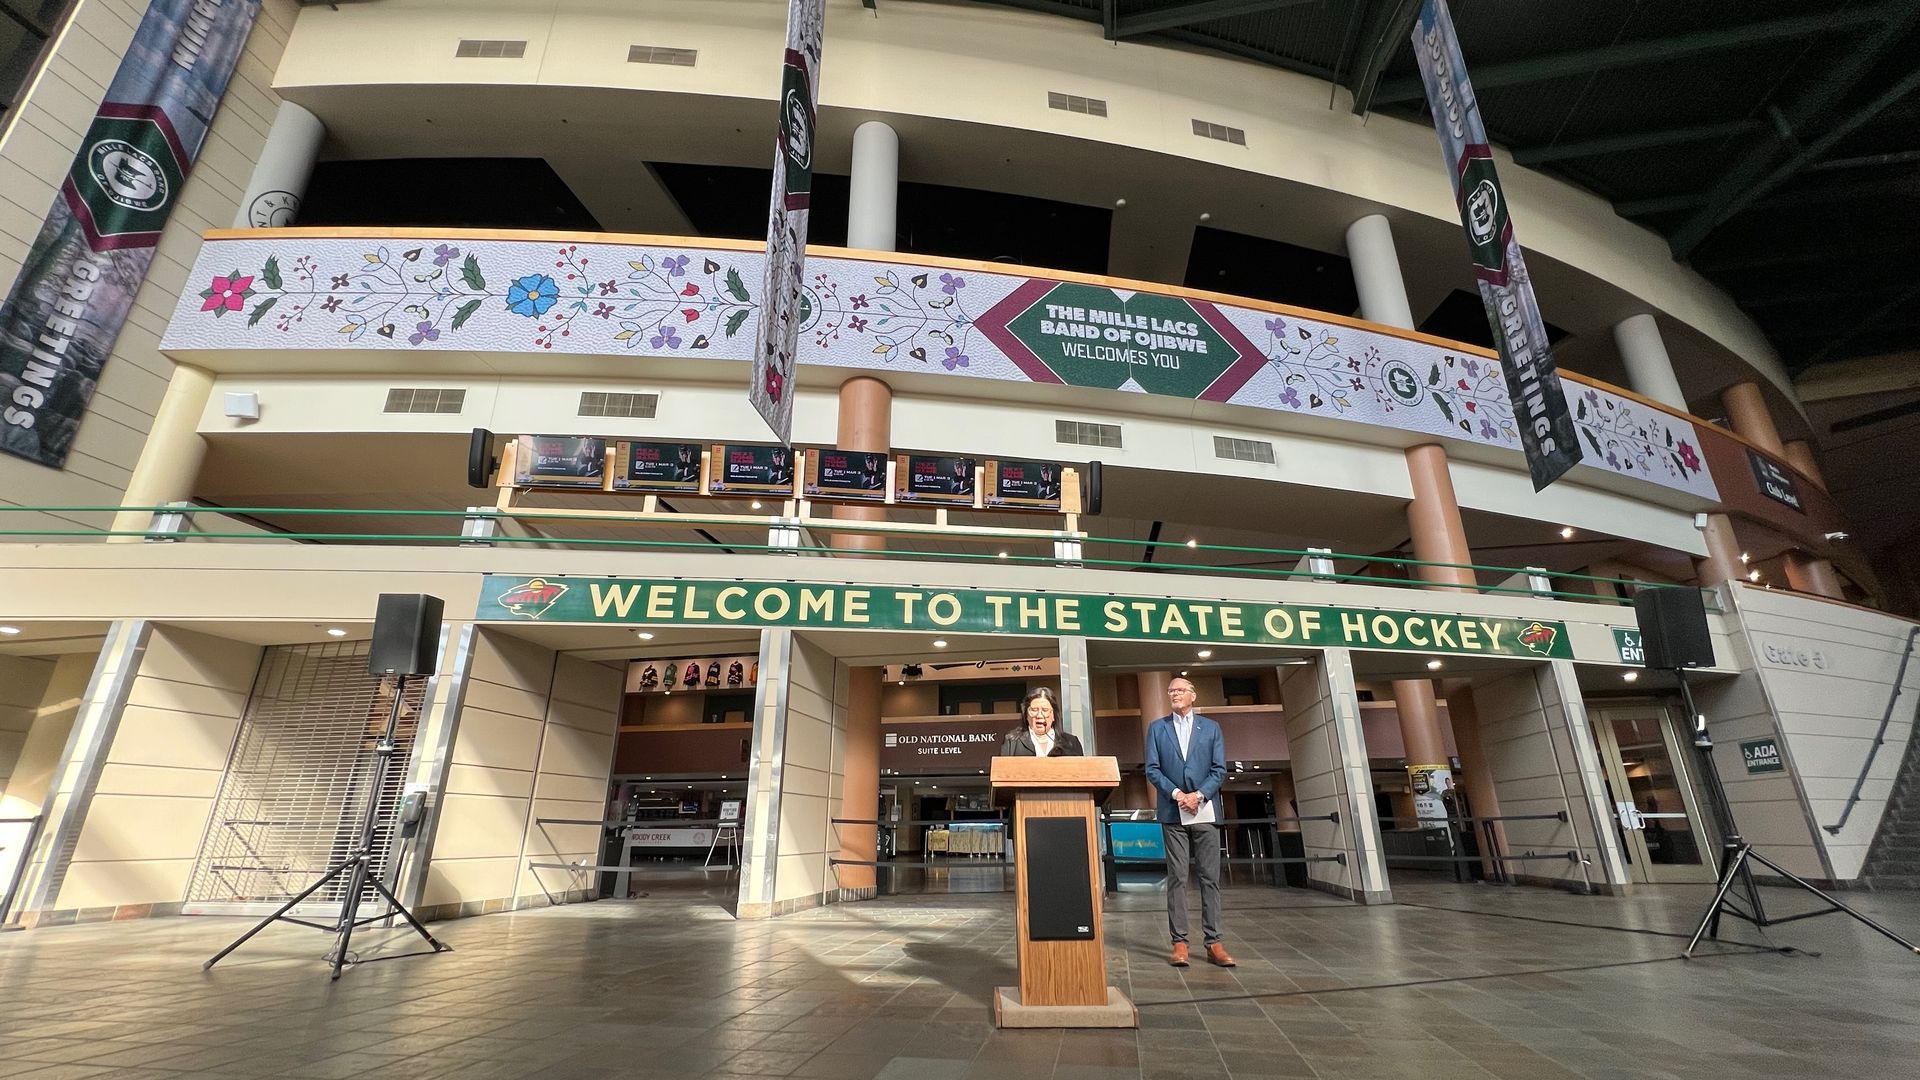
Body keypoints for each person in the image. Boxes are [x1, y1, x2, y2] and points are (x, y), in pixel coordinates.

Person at [1144, 676, 1233, 968]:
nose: (1174, 694)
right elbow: (1153, 769)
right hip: (1173, 810)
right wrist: (1178, 794)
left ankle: (1214, 943)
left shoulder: (1211, 728)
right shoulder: (1157, 728)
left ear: (1193, 695)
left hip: (1204, 811)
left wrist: (1199, 795)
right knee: (1177, 878)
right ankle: (1179, 943)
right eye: (1171, 691)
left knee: (1210, 878)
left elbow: (1219, 770)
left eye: (1180, 690)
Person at [999, 687, 1083, 757]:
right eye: (1034, 710)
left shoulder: (1071, 743)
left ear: (1053, 715)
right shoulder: (1012, 741)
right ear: (1026, 715)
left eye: (1045, 710)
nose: (1039, 715)